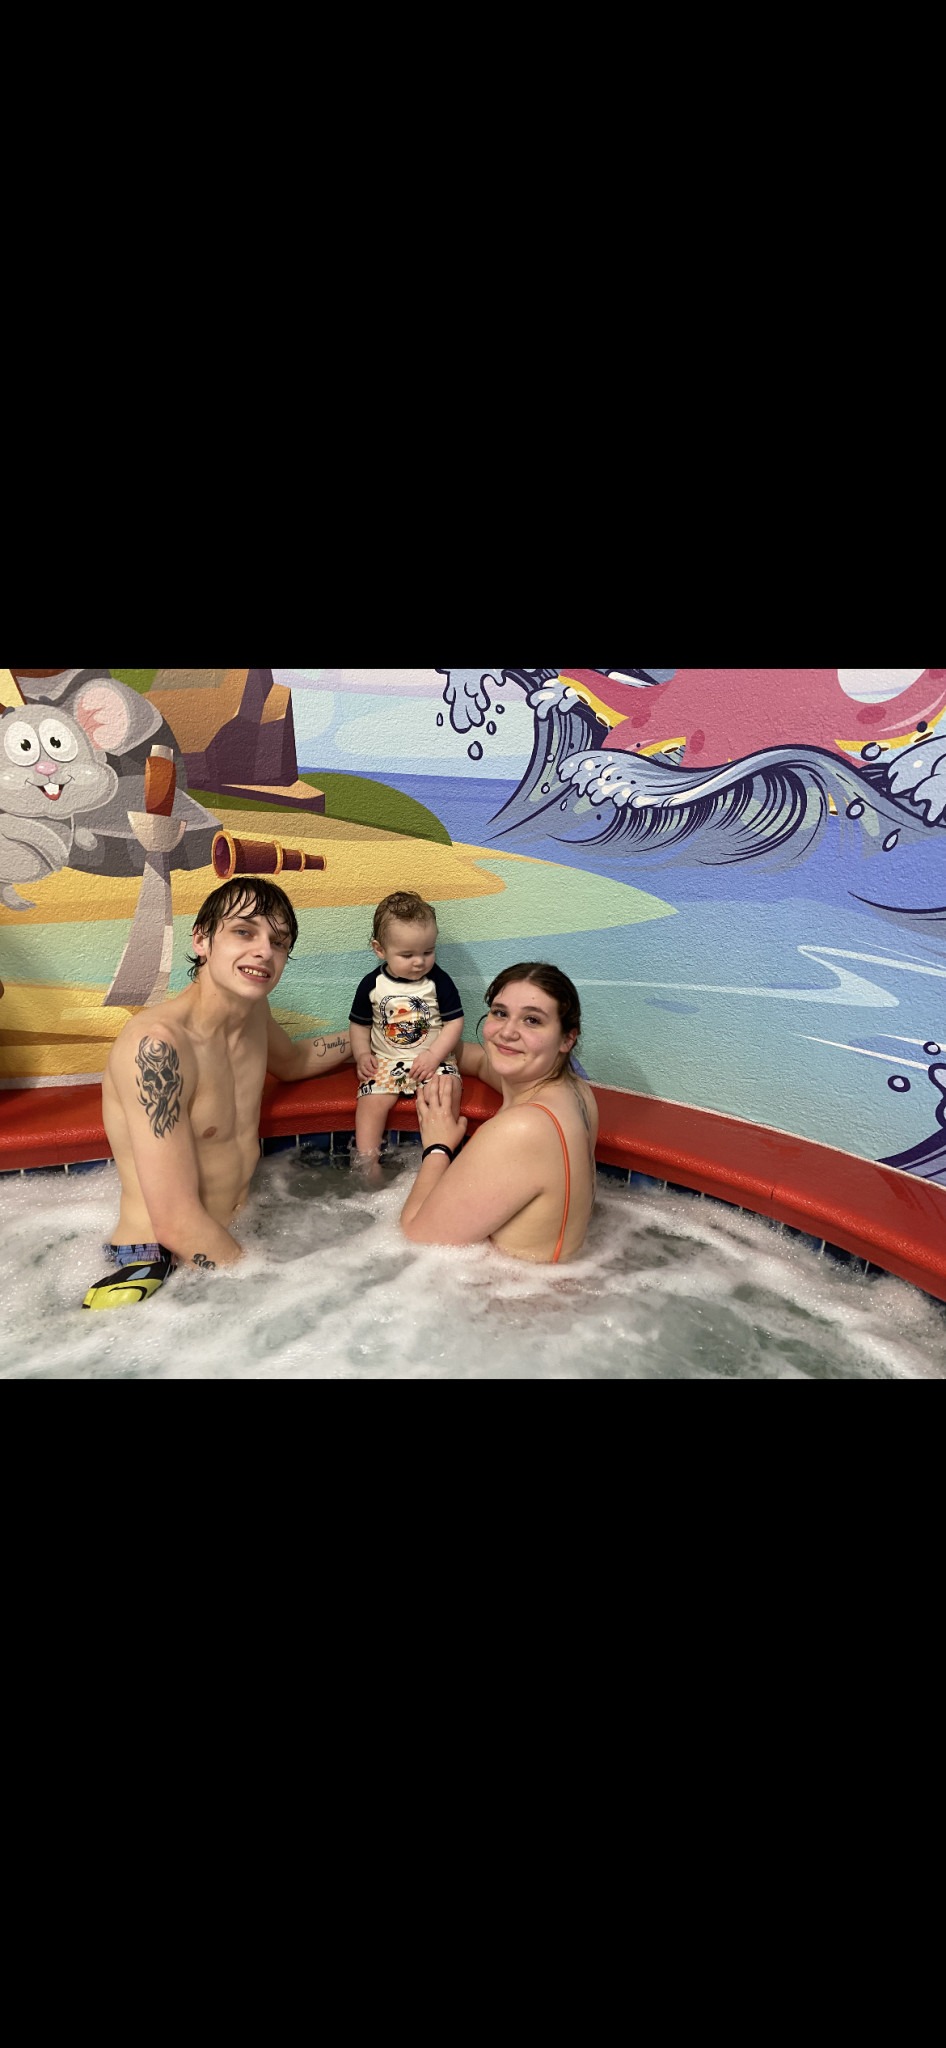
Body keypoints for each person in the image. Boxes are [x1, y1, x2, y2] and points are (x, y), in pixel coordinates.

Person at [85, 879, 351, 1309]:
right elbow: (175, 1222)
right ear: (202, 940)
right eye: (244, 932)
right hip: (160, 1263)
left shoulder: (253, 1012)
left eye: (278, 942)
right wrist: (275, 1292)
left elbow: (294, 1062)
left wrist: (370, 1037)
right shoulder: (157, 1048)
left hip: (228, 1239)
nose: (264, 951)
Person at [400, 963, 599, 1264]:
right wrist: (427, 1053)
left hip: (512, 1290)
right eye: (500, 1013)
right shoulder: (576, 1090)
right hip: (549, 1280)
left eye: (532, 1020)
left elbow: (417, 1238)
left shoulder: (522, 1129)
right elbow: (483, 1062)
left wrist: (437, 1147)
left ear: (566, 1039)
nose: (507, 1032)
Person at [349, 891, 464, 1185]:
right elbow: (359, 1025)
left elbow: (454, 1022)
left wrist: (435, 1055)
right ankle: (367, 1162)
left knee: (445, 1091)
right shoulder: (372, 984)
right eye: (407, 955)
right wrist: (362, 1055)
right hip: (387, 1061)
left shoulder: (438, 981)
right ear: (380, 949)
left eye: (428, 952)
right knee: (370, 1102)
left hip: (434, 1059)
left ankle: (440, 1157)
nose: (419, 962)